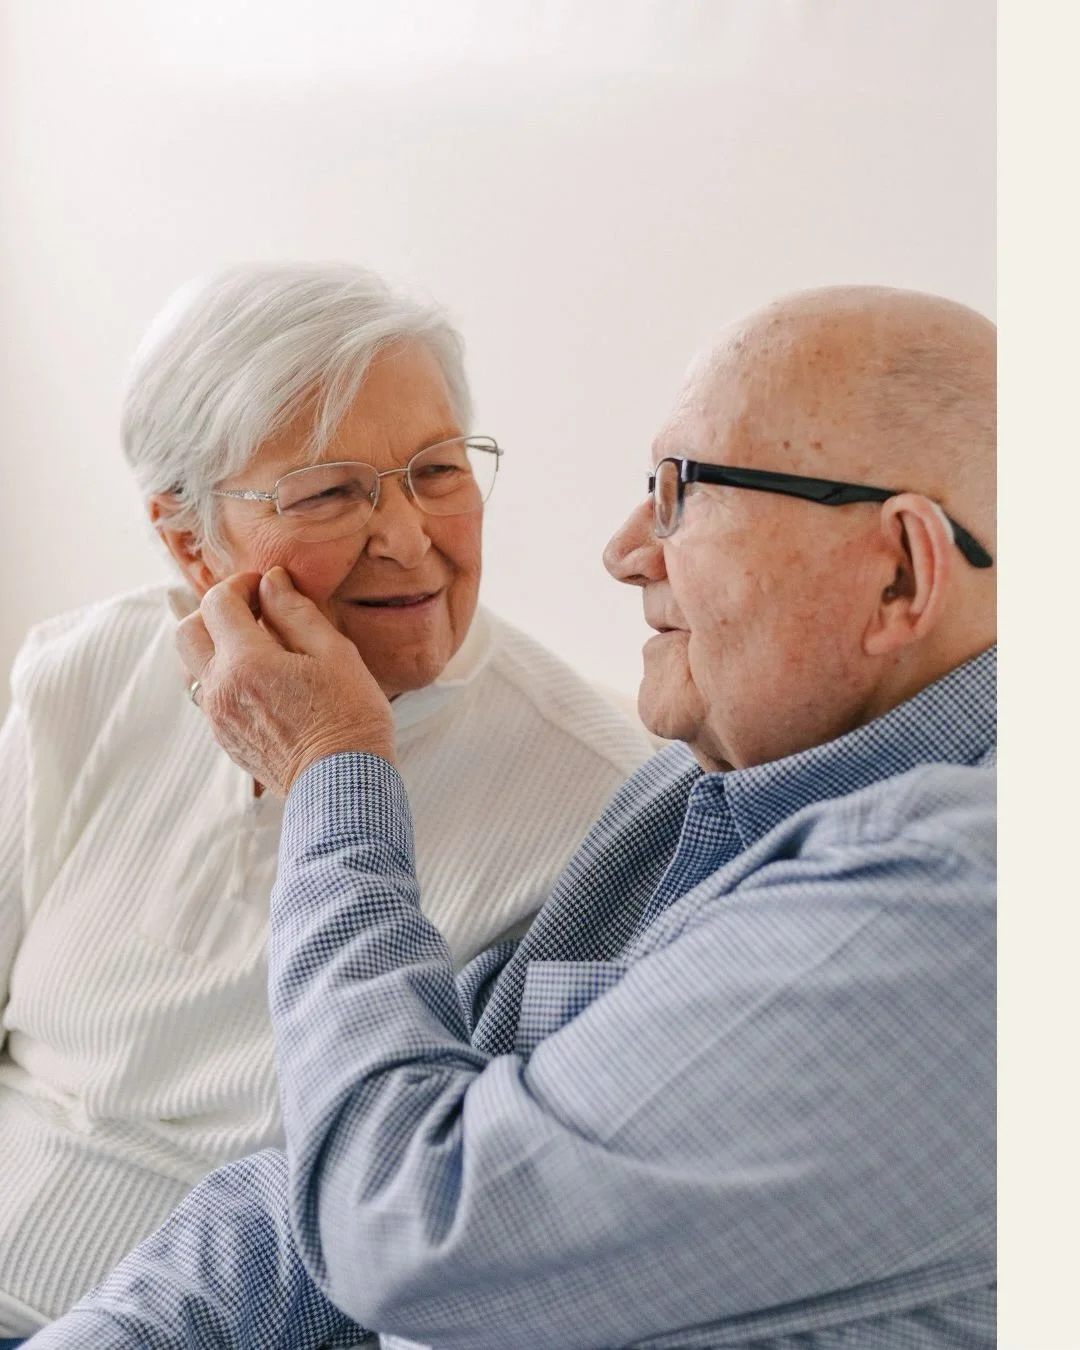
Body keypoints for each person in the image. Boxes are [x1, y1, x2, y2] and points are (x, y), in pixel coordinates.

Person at [25, 284, 996, 1350]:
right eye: (328, 492)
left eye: (684, 495)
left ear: (902, 572)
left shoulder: (966, 892)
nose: (626, 550)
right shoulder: (699, 799)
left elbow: (406, 1215)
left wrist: (331, 773)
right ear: (188, 542)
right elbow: (310, 1191)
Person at [0, 263, 654, 1338]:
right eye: (331, 492)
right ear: (185, 536)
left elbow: (441, 1227)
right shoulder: (94, 668)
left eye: (437, 470)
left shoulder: (599, 801)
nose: (407, 537)